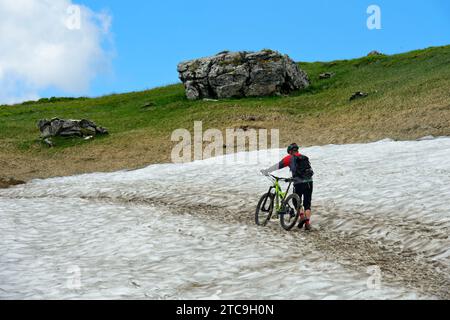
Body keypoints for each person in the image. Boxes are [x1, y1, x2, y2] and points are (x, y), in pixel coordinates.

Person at [261, 143, 314, 231]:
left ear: (289, 151)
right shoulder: (304, 157)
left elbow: (277, 166)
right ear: (297, 150)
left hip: (298, 183)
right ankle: (307, 223)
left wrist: (267, 171)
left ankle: (301, 217)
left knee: (296, 200)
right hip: (309, 182)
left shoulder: (289, 158)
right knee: (307, 203)